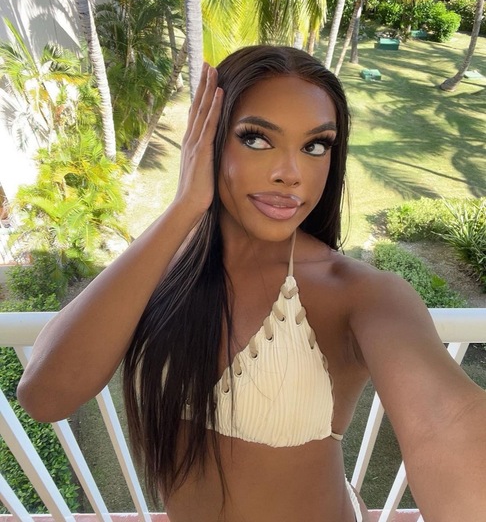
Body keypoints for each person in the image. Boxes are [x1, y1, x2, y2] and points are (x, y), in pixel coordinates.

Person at [17, 46, 486, 522]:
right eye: (257, 139)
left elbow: (445, 419)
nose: (291, 174)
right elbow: (44, 395)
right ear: (209, 141)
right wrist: (184, 207)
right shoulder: (165, 265)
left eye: (315, 146)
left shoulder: (361, 294)